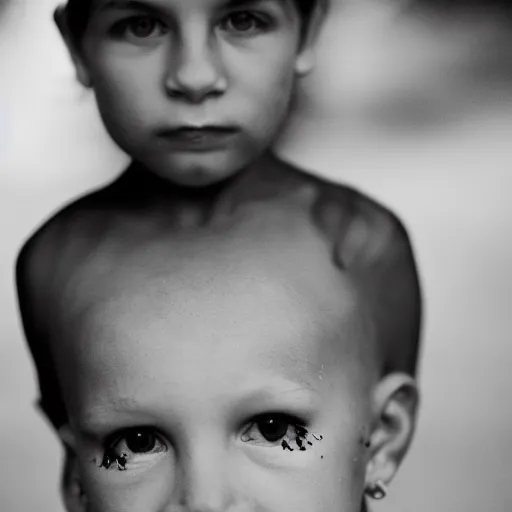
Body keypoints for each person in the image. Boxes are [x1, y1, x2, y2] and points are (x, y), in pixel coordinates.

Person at [15, 0, 422, 511]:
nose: (194, 76)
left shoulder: (363, 247)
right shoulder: (56, 264)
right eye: (140, 25)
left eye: (243, 20)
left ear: (309, 30)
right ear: (77, 45)